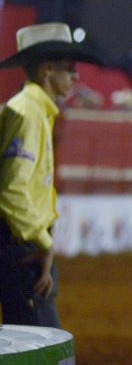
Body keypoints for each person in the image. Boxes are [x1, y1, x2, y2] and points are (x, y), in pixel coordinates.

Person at [0, 22, 103, 326]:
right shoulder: (29, 113)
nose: (75, 76)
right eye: (69, 68)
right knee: (40, 340)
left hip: (19, 240)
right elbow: (13, 189)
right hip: (23, 246)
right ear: (46, 69)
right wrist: (43, 243)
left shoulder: (29, 109)